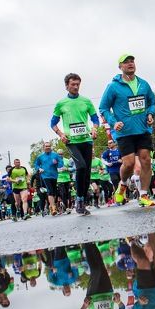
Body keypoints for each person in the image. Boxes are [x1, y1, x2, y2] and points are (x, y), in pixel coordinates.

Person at [99, 54, 155, 206]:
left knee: (146, 160)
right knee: (129, 163)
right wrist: (113, 122)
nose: (130, 64)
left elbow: (152, 102)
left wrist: (151, 113)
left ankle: (144, 195)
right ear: (120, 67)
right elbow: (103, 108)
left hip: (143, 128)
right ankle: (123, 184)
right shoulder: (113, 86)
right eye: (126, 62)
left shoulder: (143, 84)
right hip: (124, 131)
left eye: (132, 61)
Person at [52, 73, 99, 215]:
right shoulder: (61, 104)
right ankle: (79, 199)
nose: (76, 87)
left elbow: (95, 119)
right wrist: (61, 135)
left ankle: (82, 201)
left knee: (87, 173)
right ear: (67, 86)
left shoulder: (86, 101)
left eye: (78, 84)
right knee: (81, 166)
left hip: (86, 140)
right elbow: (53, 123)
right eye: (73, 84)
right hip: (72, 142)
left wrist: (95, 129)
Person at [34, 141, 64, 215]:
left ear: (51, 147)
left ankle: (51, 205)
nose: (48, 147)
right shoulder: (40, 157)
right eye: (46, 146)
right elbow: (36, 165)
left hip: (54, 176)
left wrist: (56, 163)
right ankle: (53, 208)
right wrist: (39, 169)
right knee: (50, 191)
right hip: (45, 176)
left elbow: (61, 164)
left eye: (49, 146)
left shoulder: (55, 155)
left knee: (54, 193)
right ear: (43, 147)